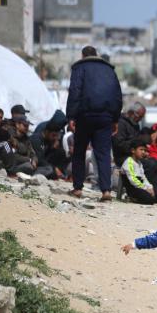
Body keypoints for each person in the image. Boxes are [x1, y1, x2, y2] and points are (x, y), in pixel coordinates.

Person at [66, 46, 123, 202]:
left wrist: (71, 116)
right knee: (103, 153)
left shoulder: (80, 67)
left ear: (83, 55)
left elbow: (74, 91)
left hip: (85, 115)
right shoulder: (109, 70)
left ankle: (77, 188)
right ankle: (106, 191)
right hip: (105, 117)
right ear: (96, 55)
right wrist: (115, 119)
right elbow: (117, 95)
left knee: (79, 151)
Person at [121, 138, 157, 205]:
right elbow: (133, 179)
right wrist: (145, 188)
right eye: (141, 149)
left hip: (140, 186)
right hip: (133, 188)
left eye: (144, 150)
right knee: (149, 200)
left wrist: (150, 187)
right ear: (133, 150)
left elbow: (143, 177)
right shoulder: (129, 162)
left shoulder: (139, 163)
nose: (143, 152)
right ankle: (132, 198)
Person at [112, 102, 146, 166]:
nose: (140, 119)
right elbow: (119, 144)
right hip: (123, 157)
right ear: (131, 113)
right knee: (150, 164)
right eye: (140, 117)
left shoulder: (135, 125)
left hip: (135, 155)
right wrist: (136, 144)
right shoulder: (121, 124)